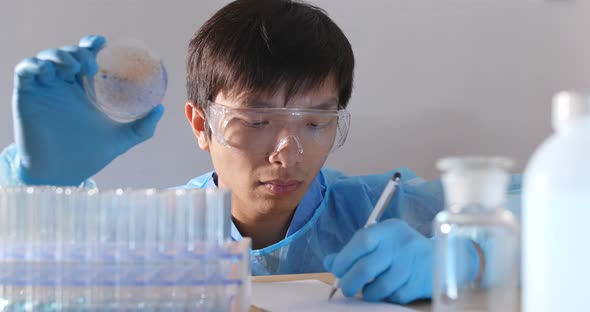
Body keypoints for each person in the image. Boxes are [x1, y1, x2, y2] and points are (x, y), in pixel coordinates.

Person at [0, 0, 521, 304]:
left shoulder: (383, 208)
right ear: (201, 125)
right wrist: (38, 185)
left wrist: (468, 254)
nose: (288, 151)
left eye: (317, 122)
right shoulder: (157, 231)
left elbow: (559, 209)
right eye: (256, 121)